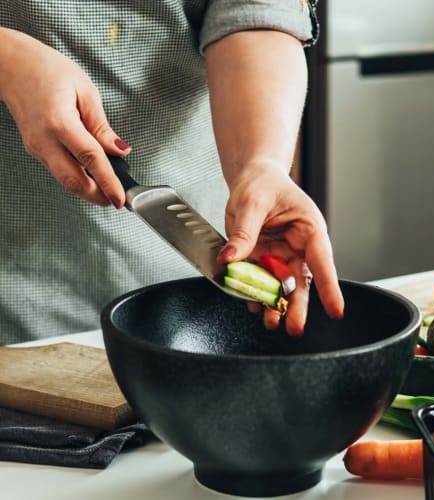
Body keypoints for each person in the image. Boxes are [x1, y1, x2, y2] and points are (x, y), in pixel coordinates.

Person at [0, 0, 344, 345]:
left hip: (180, 292)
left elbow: (255, 15)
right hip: (14, 284)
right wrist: (9, 59)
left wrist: (261, 166)